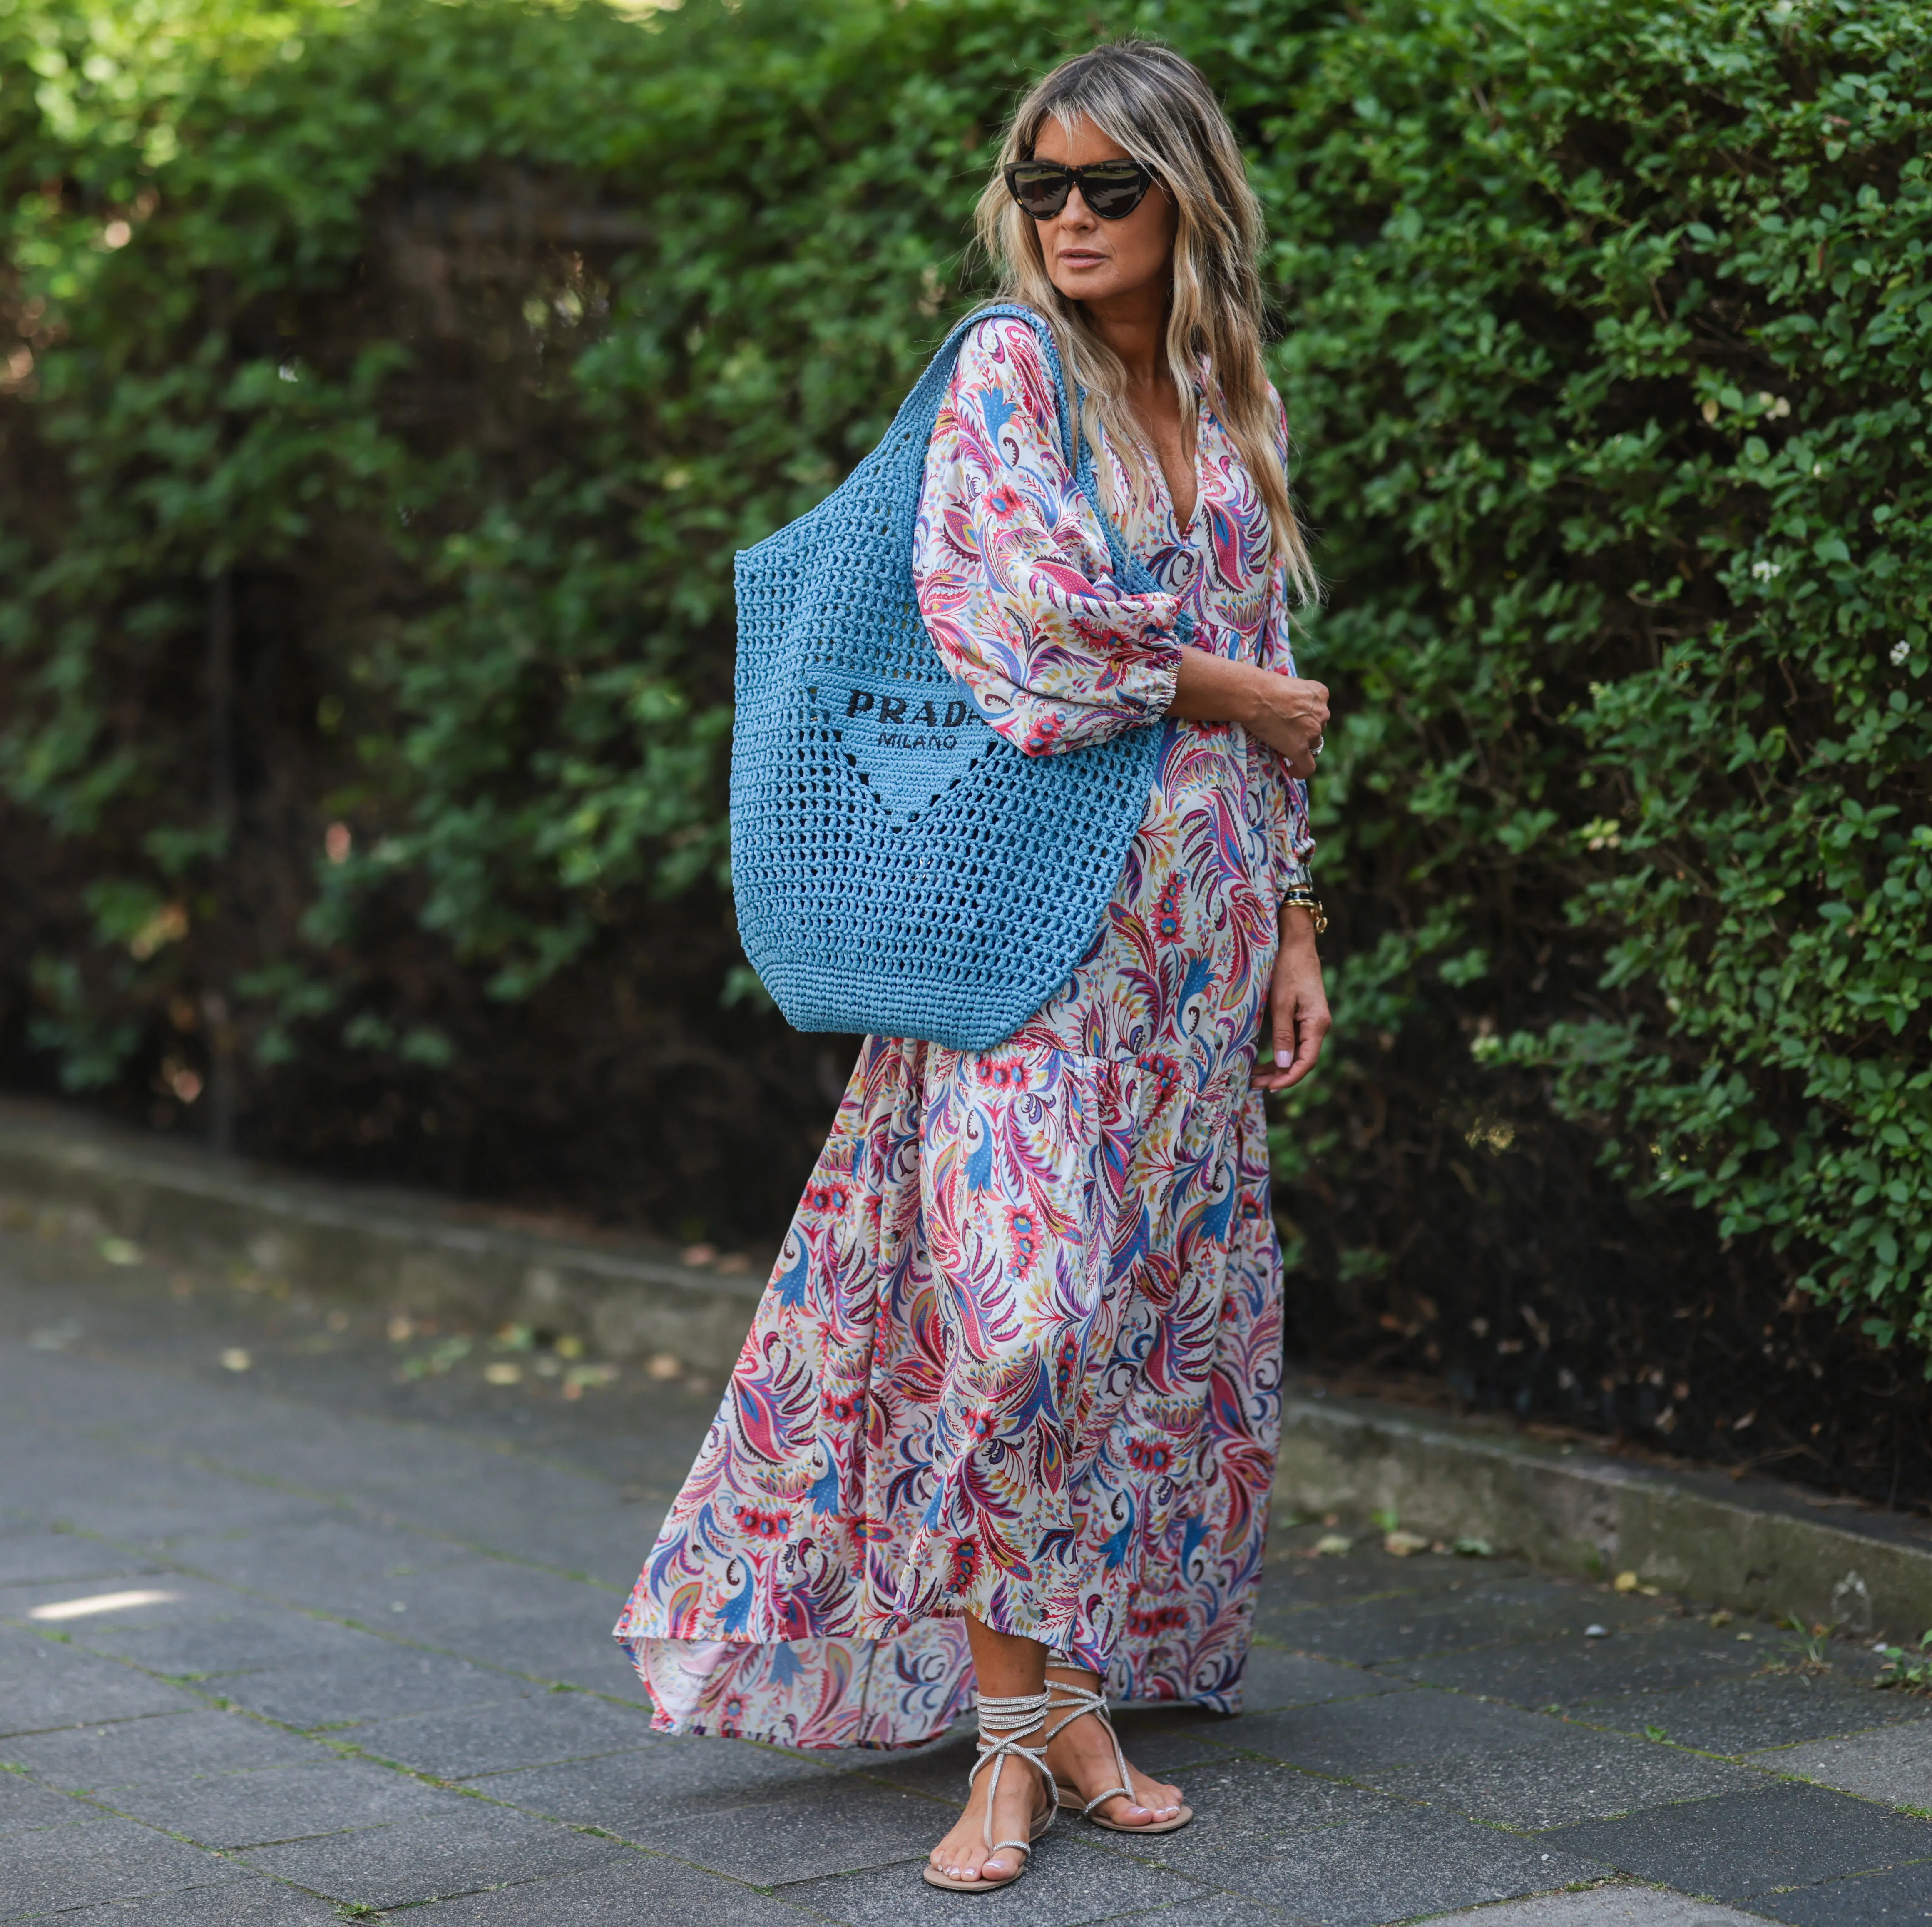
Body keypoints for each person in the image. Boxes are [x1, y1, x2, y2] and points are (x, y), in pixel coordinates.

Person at [613, 38, 1330, 1894]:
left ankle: (1070, 1703)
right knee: (1017, 1317)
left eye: (1111, 187)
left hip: (1200, 937)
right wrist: (1235, 692)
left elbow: (1270, 670)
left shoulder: (1225, 394)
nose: (1070, 218)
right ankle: (1006, 1740)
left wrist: (1296, 920)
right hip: (1035, 935)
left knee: (1136, 1322)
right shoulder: (1009, 366)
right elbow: (1020, 622)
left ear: (1188, 199)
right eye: (1042, 185)